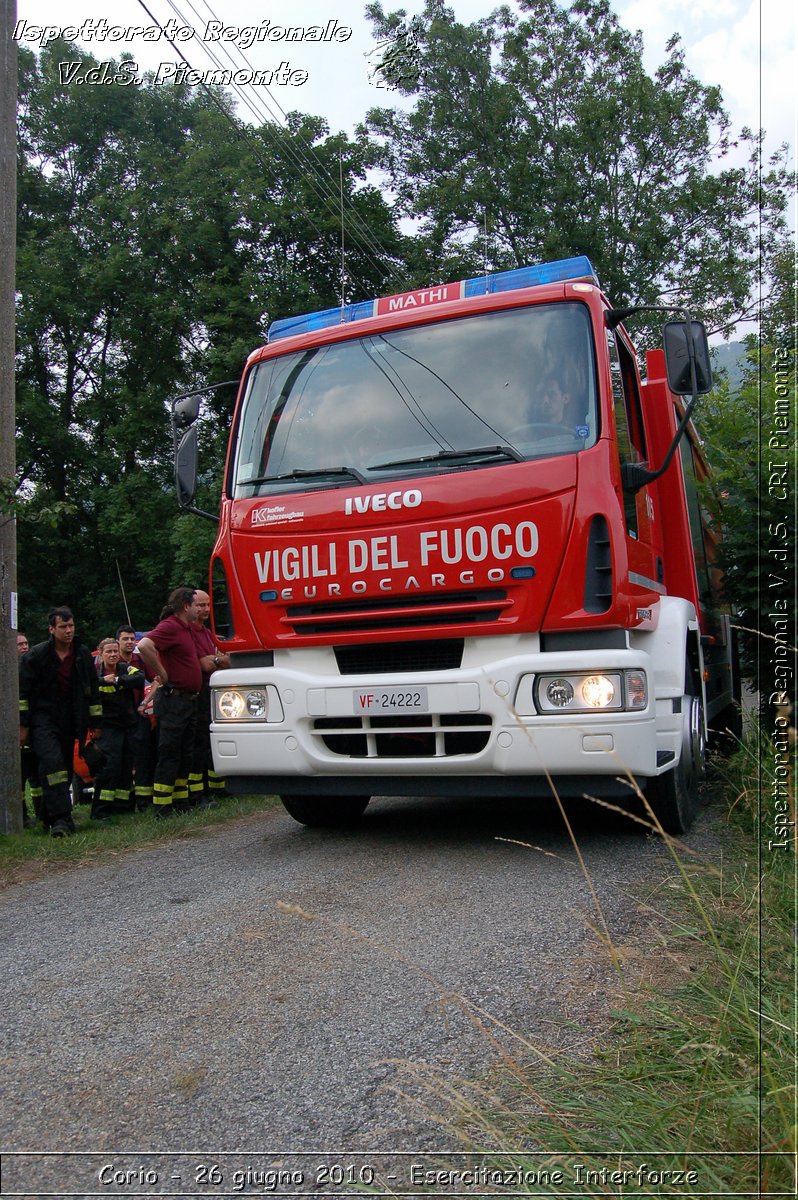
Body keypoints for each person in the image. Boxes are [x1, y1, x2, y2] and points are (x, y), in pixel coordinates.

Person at [18, 606, 102, 837]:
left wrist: (95, 722)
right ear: (51, 629)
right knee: (52, 765)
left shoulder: (81, 654)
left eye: (71, 626)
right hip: (43, 719)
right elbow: (23, 694)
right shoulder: (36, 656)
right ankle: (61, 820)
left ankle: (49, 816)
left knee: (64, 768)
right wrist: (23, 725)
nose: (68, 631)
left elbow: (93, 690)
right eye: (63, 627)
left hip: (71, 718)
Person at [136, 588, 202, 818]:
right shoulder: (171, 626)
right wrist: (162, 673)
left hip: (187, 701)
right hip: (174, 700)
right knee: (170, 752)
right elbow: (144, 645)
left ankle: (180, 802)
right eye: (196, 604)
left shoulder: (185, 629)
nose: (198, 609)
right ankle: (163, 807)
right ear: (186, 606)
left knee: (185, 753)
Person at [90, 638, 143, 821]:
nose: (113, 655)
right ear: (101, 653)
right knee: (109, 767)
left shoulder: (125, 669)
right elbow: (87, 686)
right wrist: (104, 681)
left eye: (115, 651)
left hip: (127, 725)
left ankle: (124, 807)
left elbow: (139, 678)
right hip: (107, 728)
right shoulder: (95, 673)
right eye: (109, 652)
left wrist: (118, 681)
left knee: (126, 766)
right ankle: (100, 811)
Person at [188, 589, 231, 806]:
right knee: (197, 745)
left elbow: (226, 660)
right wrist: (218, 659)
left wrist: (215, 659)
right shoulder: (187, 633)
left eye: (208, 605)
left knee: (212, 742)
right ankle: (197, 794)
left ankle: (218, 788)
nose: (205, 609)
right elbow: (205, 664)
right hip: (196, 695)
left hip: (212, 693)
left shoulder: (207, 633)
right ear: (189, 606)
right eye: (200, 605)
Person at [116, 624, 159, 809]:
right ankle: (123, 804)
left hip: (138, 713)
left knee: (143, 757)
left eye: (131, 639)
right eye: (125, 639)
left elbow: (158, 679)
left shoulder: (140, 660)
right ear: (117, 641)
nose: (129, 642)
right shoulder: (111, 660)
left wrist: (146, 701)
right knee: (121, 758)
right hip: (117, 717)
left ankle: (143, 801)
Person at [16, 632, 39, 827]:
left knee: (37, 776)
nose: (24, 647)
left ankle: (40, 812)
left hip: (34, 728)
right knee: (19, 776)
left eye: (26, 643)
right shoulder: (10, 672)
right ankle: (21, 817)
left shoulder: (31, 669)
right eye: (19, 645)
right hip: (17, 731)